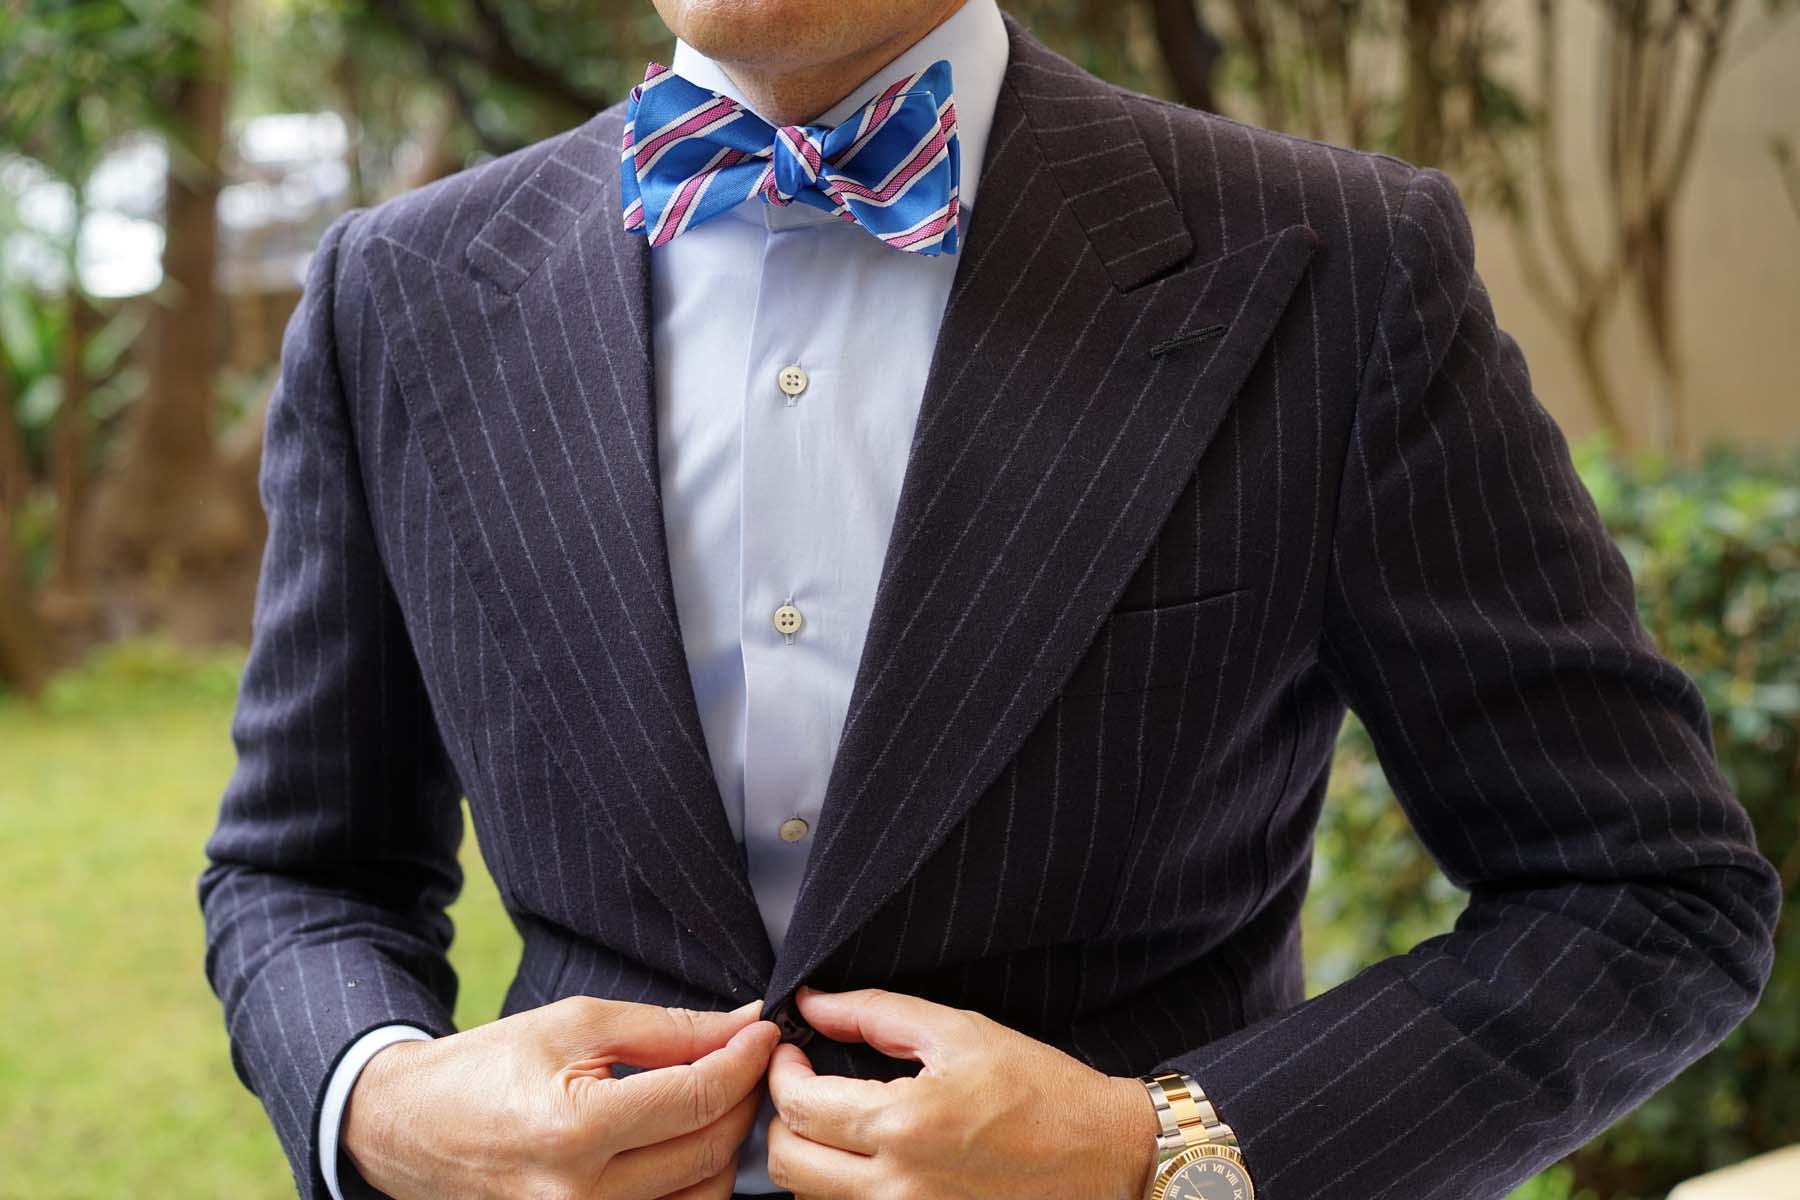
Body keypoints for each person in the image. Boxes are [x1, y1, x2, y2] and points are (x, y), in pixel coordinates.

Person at [197, 0, 1782, 1197]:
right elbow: (301, 869)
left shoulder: (1336, 266)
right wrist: (385, 1108)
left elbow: (1648, 895)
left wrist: (1151, 1148)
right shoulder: (394, 296)